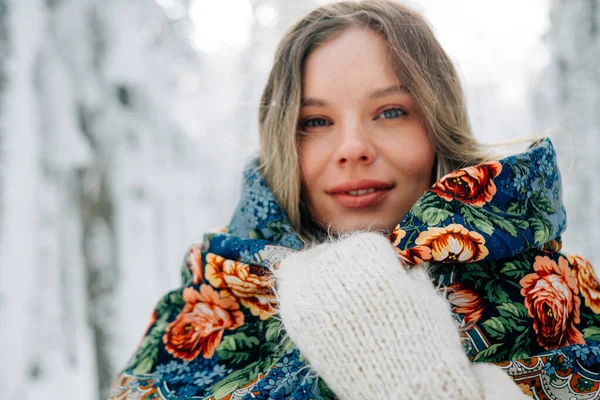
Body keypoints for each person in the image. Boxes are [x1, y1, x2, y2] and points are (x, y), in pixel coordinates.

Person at [109, 1, 600, 399]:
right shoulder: (210, 303)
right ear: (284, 140)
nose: (351, 149)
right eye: (316, 122)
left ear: (436, 126)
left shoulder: (557, 294)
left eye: (389, 112)